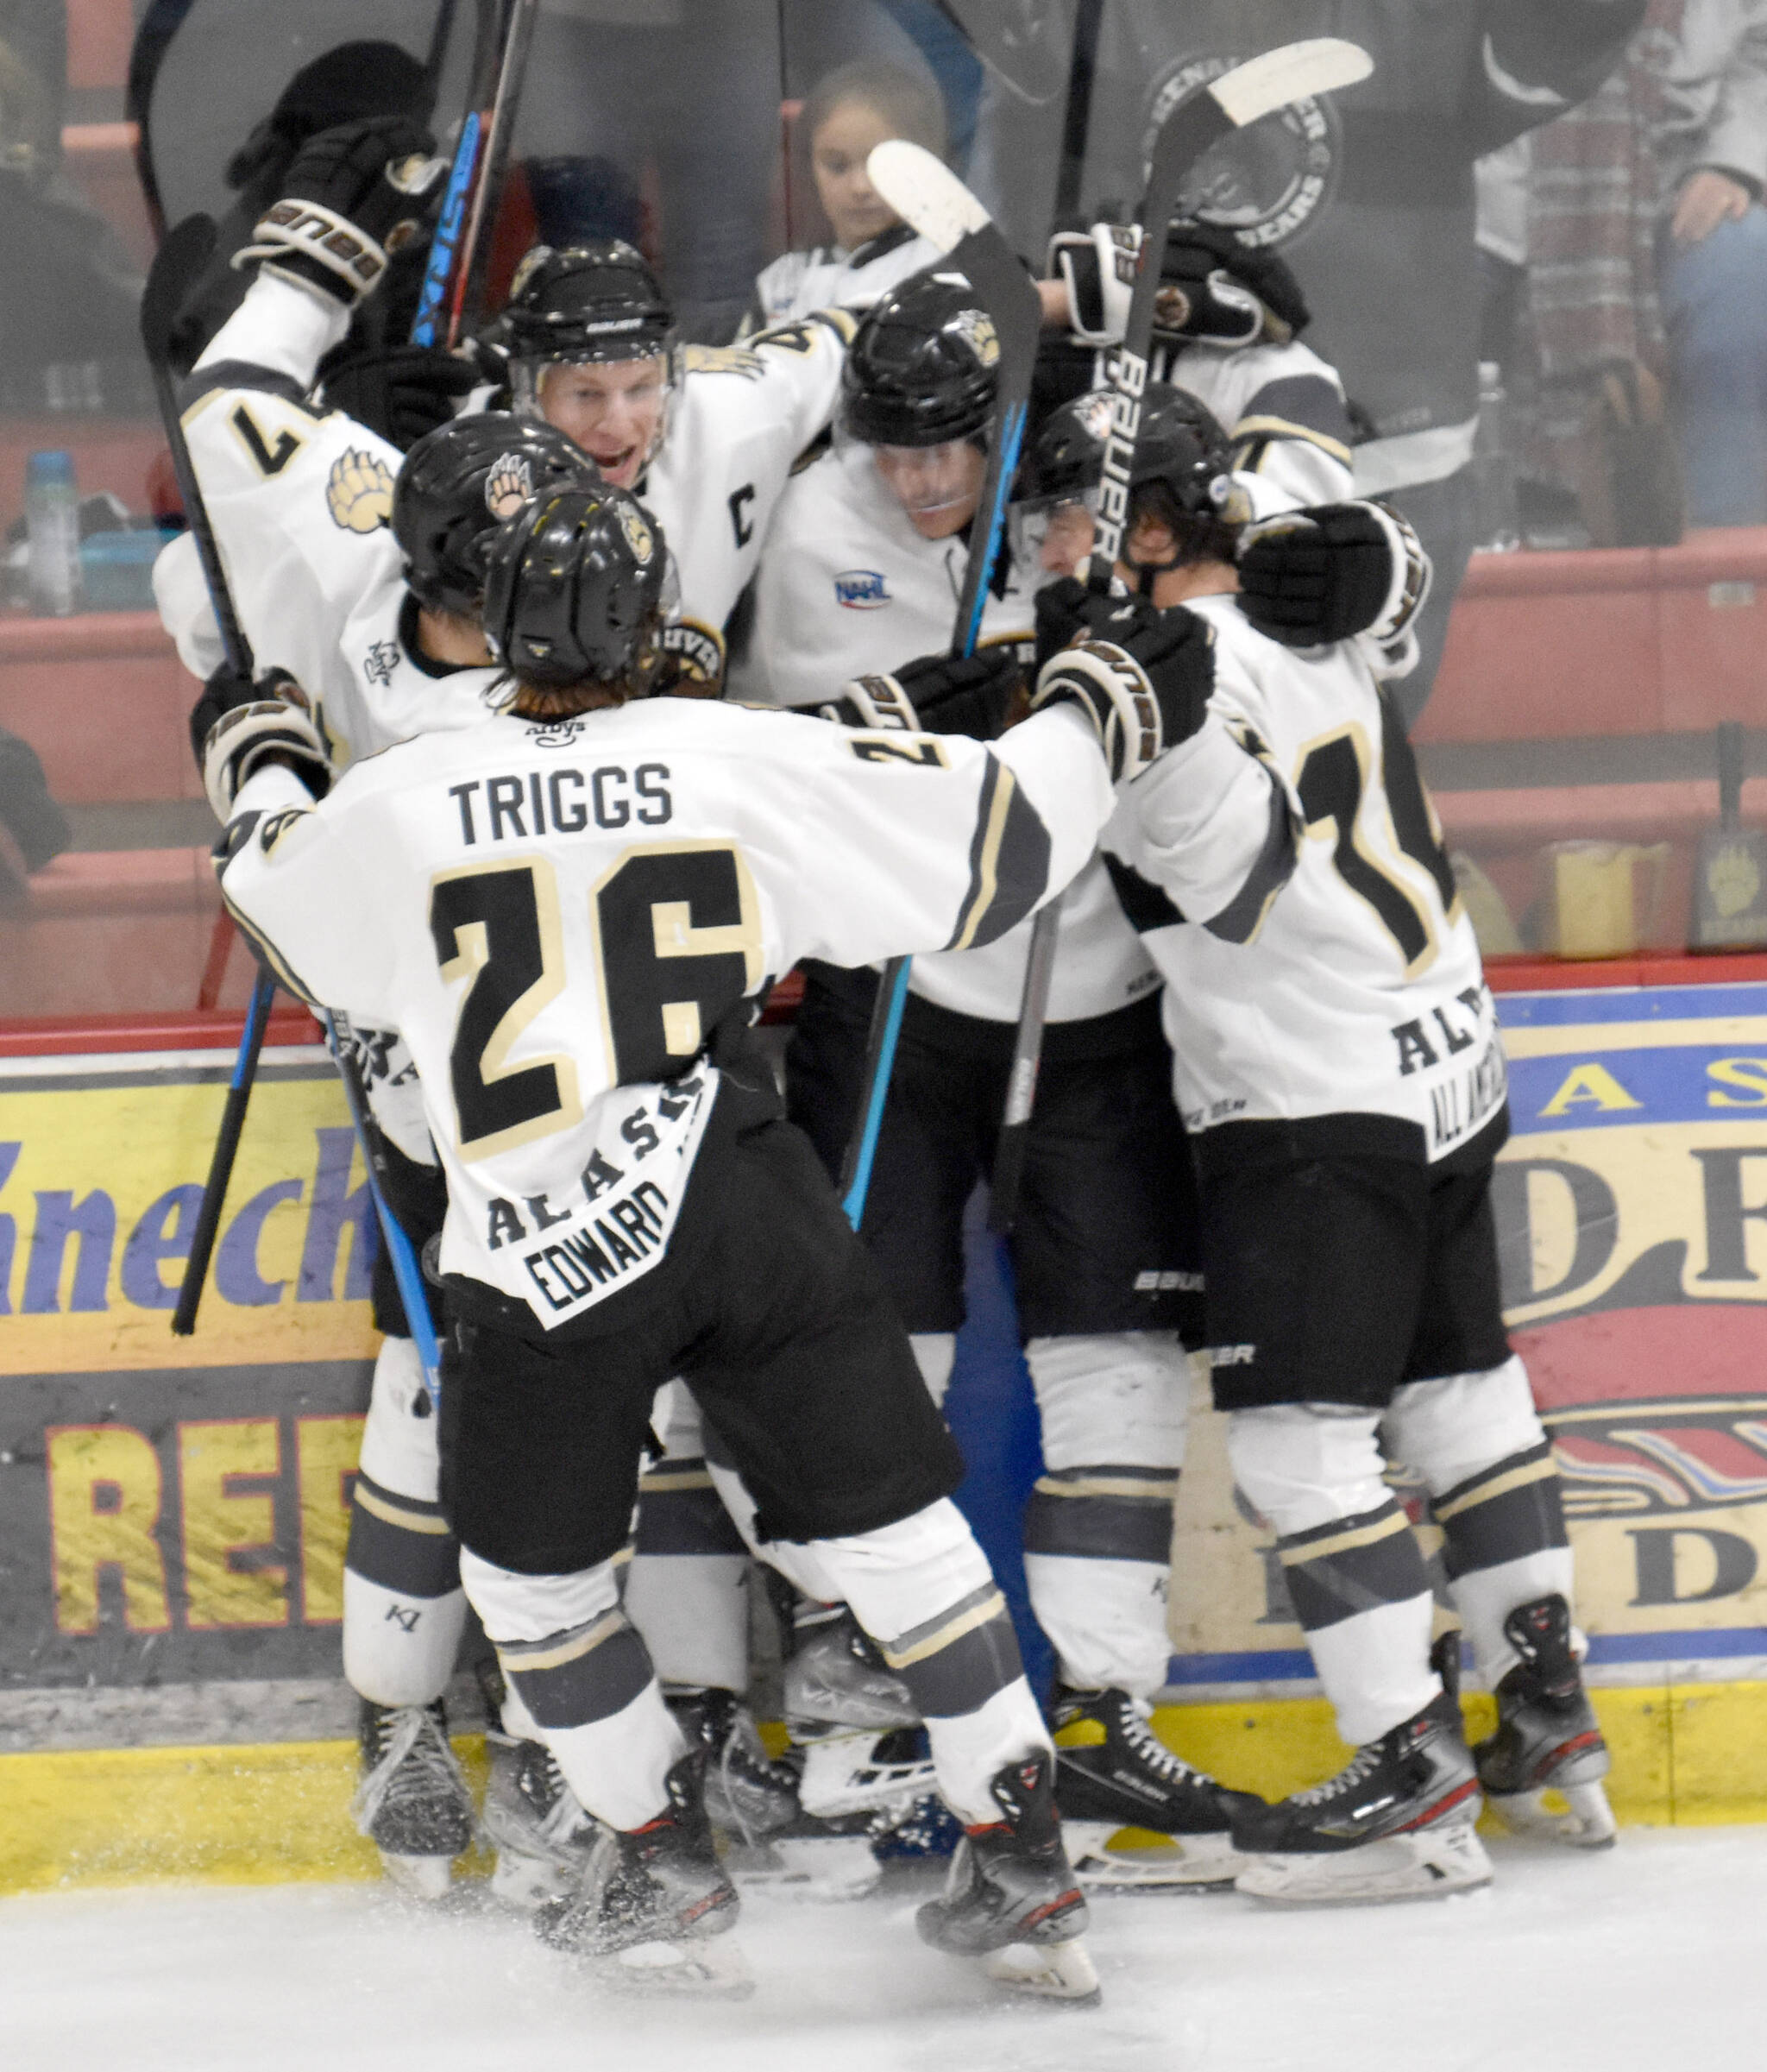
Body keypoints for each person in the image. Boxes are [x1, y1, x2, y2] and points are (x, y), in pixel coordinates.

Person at [196, 475, 1207, 2000]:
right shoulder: (735, 753)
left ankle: (655, 1851)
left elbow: (281, 903)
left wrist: (256, 753)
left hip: (533, 1248)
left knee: (536, 1591)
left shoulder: (403, 795)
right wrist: (1100, 704)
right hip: (737, 1194)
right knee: (888, 1532)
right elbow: (999, 840)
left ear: (500, 629)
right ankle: (1018, 1843)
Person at [739, 274, 1424, 1888]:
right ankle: (848, 1704)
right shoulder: (805, 517)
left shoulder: (1097, 489)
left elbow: (1322, 529)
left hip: (1100, 1003)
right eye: (890, 445)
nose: (925, 480)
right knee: (867, 1346)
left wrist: (1190, 312)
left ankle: (1103, 1712)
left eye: (954, 447)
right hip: (898, 997)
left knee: (1106, 1364)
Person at [1041, 387, 1613, 1905]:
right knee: (1458, 1389)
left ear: (1147, 532)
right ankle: (1544, 1719)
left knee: (1300, 1439)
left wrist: (1092, 713)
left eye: (1066, 514)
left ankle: (1410, 1773)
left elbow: (1219, 886)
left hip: (1310, 1097)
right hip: (1443, 1050)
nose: (1041, 539)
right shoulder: (1302, 576)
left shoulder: (1177, 682)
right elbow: (1328, 464)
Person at [747, 58, 947, 331]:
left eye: (880, 164)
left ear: (925, 159)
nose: (859, 187)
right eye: (837, 166)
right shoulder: (779, 283)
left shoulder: (942, 268)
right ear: (810, 169)